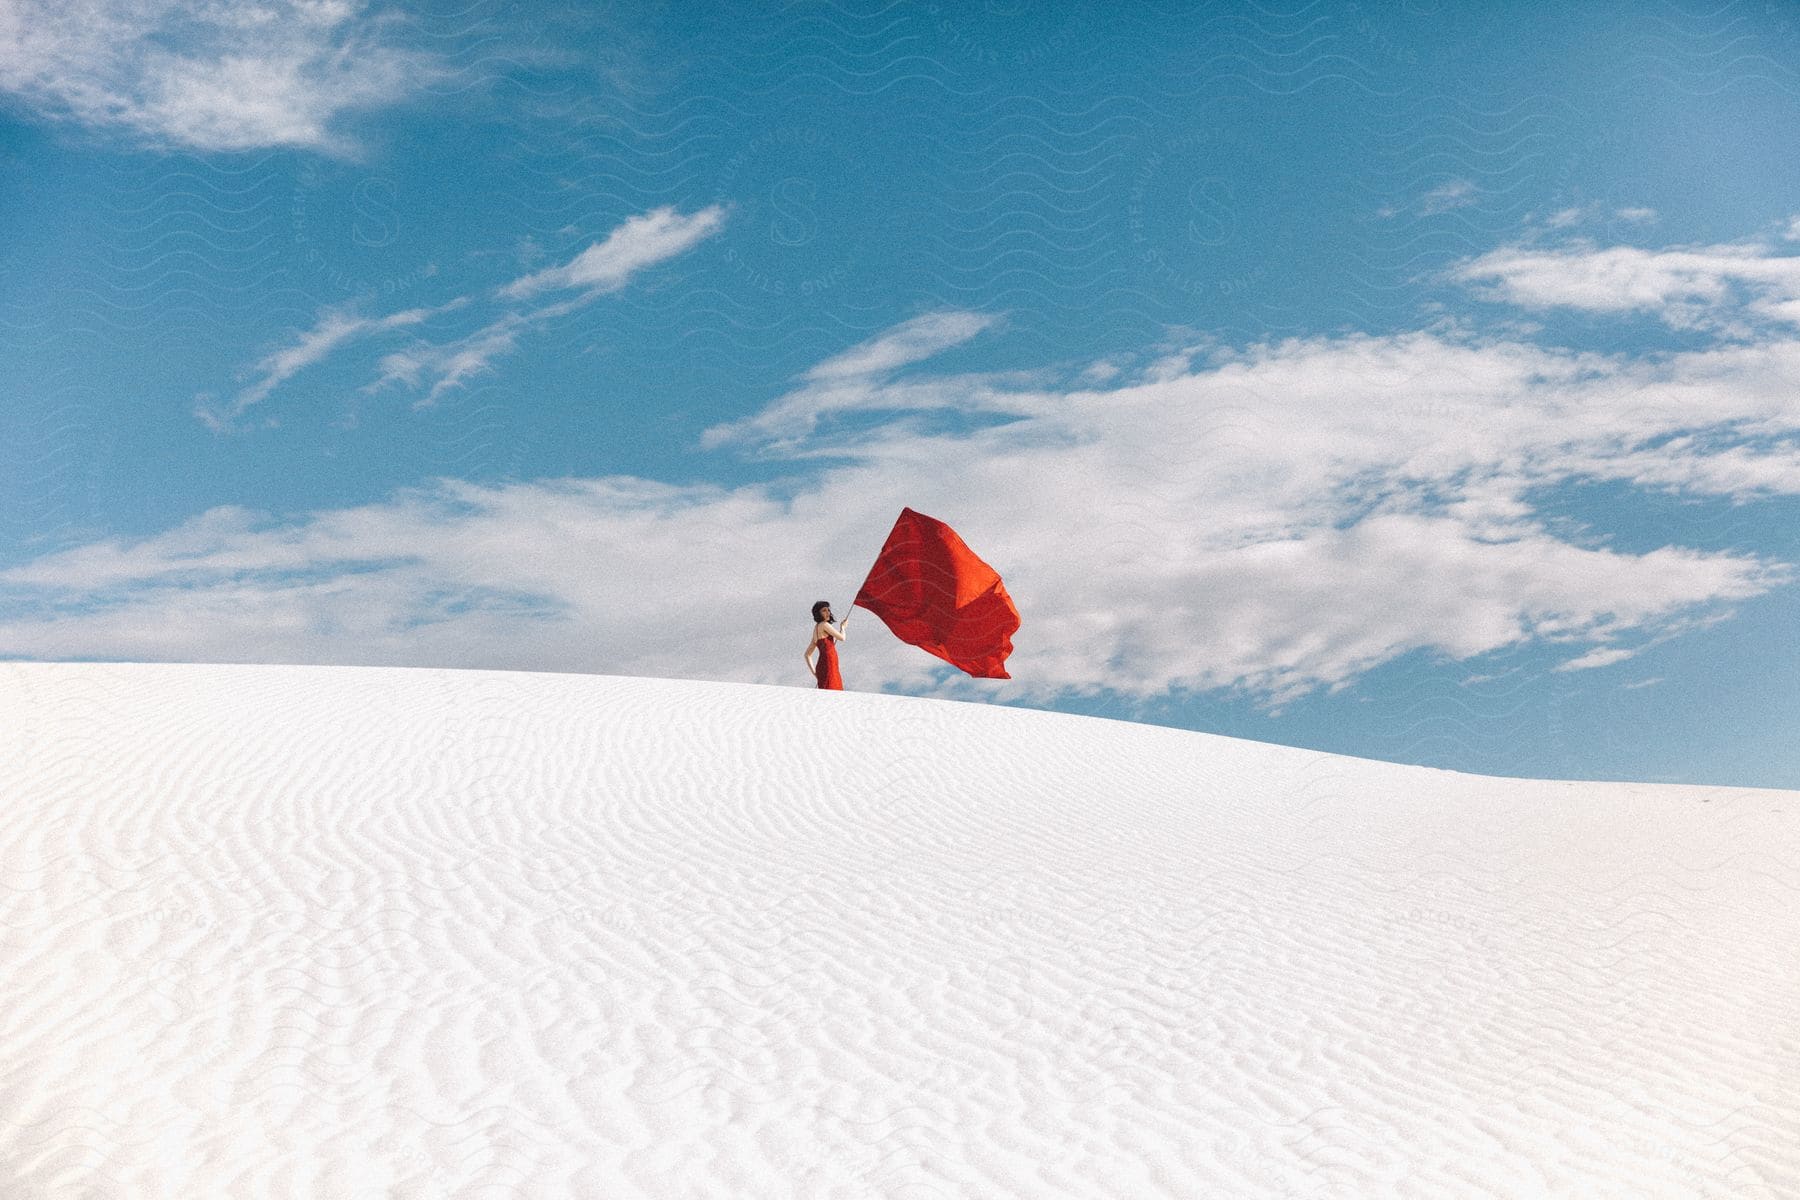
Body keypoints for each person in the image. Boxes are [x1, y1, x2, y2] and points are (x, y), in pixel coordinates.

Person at [805, 599, 848, 689]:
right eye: (824, 610)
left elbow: (807, 655)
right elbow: (842, 638)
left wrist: (815, 673)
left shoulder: (815, 630)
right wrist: (843, 627)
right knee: (833, 689)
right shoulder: (824, 625)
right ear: (818, 613)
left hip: (821, 665)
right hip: (829, 663)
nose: (828, 612)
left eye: (828, 610)